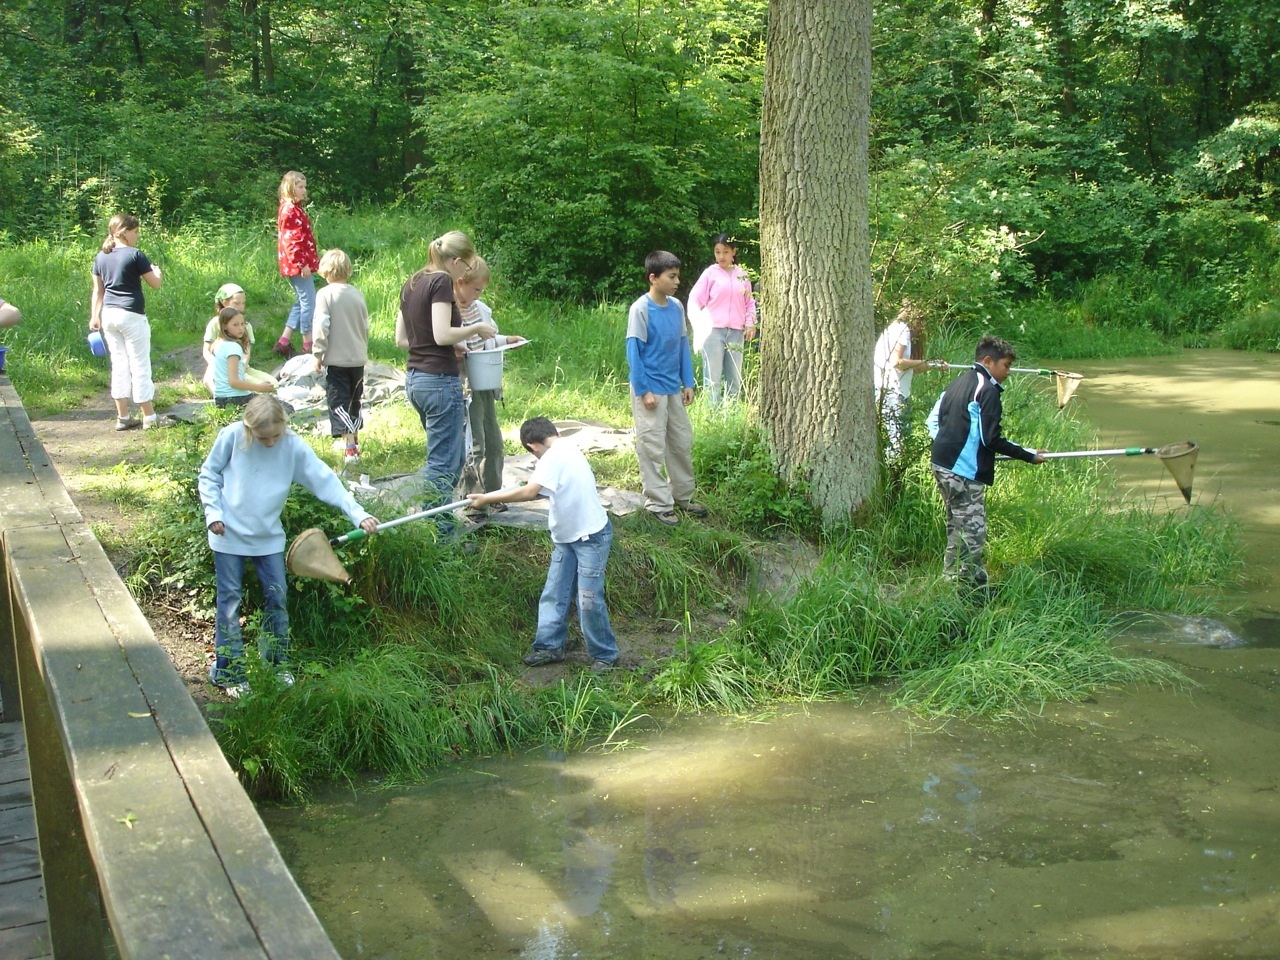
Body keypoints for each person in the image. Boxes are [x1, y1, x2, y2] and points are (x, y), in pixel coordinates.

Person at [198, 394, 379, 696]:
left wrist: (358, 514)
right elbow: (209, 474)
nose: (270, 443)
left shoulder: (292, 446)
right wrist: (213, 513)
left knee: (277, 599)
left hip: (268, 537)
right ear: (249, 428)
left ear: (285, 425)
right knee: (229, 603)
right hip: (227, 534)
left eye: (276, 436)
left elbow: (326, 481)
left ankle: (276, 664)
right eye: (262, 437)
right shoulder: (231, 437)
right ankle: (229, 672)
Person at [467, 417, 619, 672]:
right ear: (554, 432)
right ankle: (549, 646)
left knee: (588, 599)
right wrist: (494, 495)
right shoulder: (565, 446)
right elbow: (538, 489)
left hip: (590, 538)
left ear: (532, 446)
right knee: (554, 592)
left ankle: (605, 654)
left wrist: (485, 499)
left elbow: (528, 493)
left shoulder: (552, 458)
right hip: (566, 539)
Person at [927, 335, 1046, 595]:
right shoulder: (988, 390)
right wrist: (1028, 456)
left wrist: (951, 444)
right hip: (962, 471)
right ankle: (966, 591)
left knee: (958, 524)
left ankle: (963, 581)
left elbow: (933, 422)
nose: (1009, 372)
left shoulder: (957, 383)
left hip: (941, 464)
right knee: (972, 531)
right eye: (1006, 366)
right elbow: (991, 439)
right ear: (989, 361)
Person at [395, 230, 496, 521]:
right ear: (455, 261)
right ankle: (438, 534)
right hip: (439, 382)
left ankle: (436, 524)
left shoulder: (412, 281)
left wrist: (451, 344)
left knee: (447, 456)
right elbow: (441, 334)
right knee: (444, 464)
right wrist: (476, 329)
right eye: (466, 266)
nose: (465, 272)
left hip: (415, 379)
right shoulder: (440, 281)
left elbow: (403, 339)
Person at [626, 250, 705, 526]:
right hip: (650, 391)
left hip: (673, 388)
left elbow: (683, 345)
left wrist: (689, 382)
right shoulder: (641, 309)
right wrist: (644, 390)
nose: (677, 282)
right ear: (653, 278)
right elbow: (633, 351)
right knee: (652, 446)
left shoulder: (676, 307)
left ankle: (682, 496)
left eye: (677, 276)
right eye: (671, 276)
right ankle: (658, 502)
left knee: (681, 442)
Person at [456, 257, 524, 515]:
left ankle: (494, 495)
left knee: (494, 443)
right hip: (466, 388)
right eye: (475, 289)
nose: (478, 295)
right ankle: (472, 502)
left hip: (486, 383)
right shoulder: (449, 309)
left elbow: (489, 337)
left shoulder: (481, 309)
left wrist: (507, 339)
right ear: (461, 282)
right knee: (475, 445)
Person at [89, 214, 166, 431]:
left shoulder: (100, 257)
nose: (137, 236)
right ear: (124, 232)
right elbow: (155, 283)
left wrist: (94, 316)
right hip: (132, 314)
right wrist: (157, 272)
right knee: (139, 363)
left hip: (109, 316)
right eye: (135, 232)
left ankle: (123, 416)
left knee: (119, 363)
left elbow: (98, 290)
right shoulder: (135, 255)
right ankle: (149, 416)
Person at [311, 249, 369, 464]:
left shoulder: (325, 294)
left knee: (338, 403)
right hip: (358, 358)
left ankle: (350, 448)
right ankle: (354, 441)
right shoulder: (356, 293)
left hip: (337, 359)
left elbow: (321, 324)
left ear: (325, 271)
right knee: (355, 400)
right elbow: (364, 325)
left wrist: (318, 352)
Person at [688, 233, 756, 406]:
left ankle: (732, 416)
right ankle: (712, 416)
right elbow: (695, 299)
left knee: (734, 378)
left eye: (725, 252)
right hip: (713, 332)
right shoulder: (710, 274)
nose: (721, 256)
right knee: (713, 378)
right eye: (717, 252)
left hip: (736, 332)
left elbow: (749, 302)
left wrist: (750, 323)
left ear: (733, 251)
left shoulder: (743, 275)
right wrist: (698, 324)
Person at [872, 300, 936, 457]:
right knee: (897, 445)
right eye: (922, 320)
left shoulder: (896, 329)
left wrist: (932, 365)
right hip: (892, 393)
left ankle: (893, 476)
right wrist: (927, 362)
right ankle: (892, 476)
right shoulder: (902, 329)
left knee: (901, 442)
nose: (923, 325)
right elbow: (897, 362)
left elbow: (909, 370)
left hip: (896, 392)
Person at [273, 171, 320, 358]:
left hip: (297, 264)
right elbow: (291, 241)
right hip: (298, 266)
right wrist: (302, 264)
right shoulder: (290, 210)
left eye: (304, 187)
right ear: (290, 188)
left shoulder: (293, 208)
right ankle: (308, 343)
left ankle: (283, 342)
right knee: (310, 301)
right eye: (300, 187)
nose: (304, 190)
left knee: (301, 301)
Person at [202, 283, 272, 395]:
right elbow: (207, 350)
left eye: (243, 303)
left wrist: (243, 366)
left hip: (241, 366)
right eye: (236, 303)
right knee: (209, 380)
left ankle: (252, 389)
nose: (241, 307)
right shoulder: (215, 323)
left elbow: (247, 350)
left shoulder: (246, 326)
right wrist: (216, 364)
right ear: (224, 303)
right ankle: (220, 398)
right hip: (218, 365)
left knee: (273, 384)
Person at [211, 307, 276, 408]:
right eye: (235, 325)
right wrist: (259, 387)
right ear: (224, 326)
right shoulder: (233, 347)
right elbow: (234, 382)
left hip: (220, 398)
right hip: (236, 398)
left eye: (242, 324)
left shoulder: (218, 344)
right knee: (281, 408)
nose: (241, 328)